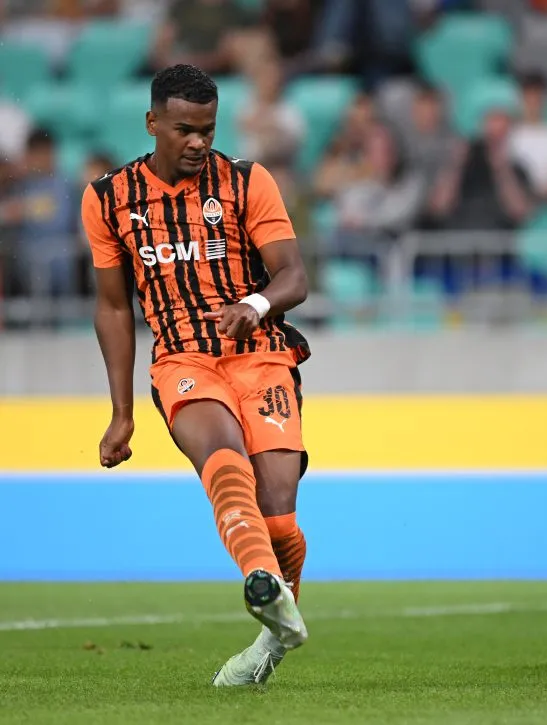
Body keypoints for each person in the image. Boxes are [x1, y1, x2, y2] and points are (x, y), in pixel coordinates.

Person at [81, 64, 313, 687]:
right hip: (183, 360)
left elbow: (293, 276)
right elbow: (112, 307)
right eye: (184, 129)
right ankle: (259, 581)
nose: (198, 142)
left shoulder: (246, 181)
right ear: (152, 122)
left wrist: (255, 305)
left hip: (261, 353)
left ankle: (272, 637)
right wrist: (122, 412)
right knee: (222, 454)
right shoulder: (108, 197)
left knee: (279, 519)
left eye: (207, 129)